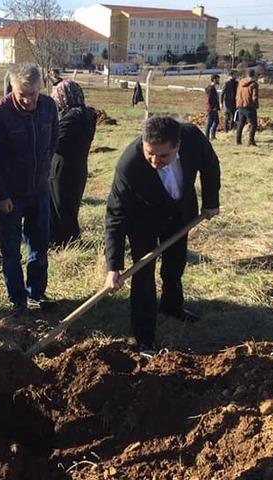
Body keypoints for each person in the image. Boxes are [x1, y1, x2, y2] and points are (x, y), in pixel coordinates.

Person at [104, 116, 221, 356]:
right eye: (150, 154)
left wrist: (211, 201)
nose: (155, 161)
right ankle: (144, 338)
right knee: (143, 274)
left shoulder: (192, 138)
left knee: (176, 263)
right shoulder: (129, 165)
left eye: (163, 156)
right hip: (143, 219)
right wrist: (113, 267)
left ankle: (171, 306)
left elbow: (210, 164)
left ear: (177, 145)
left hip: (180, 212)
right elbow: (115, 215)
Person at [0, 62, 59, 316]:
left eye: (32, 94)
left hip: (39, 190)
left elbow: (53, 142)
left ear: (40, 88)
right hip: (10, 195)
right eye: (21, 94)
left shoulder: (49, 107)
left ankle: (36, 293)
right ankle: (17, 298)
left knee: (39, 245)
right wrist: (1, 194)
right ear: (12, 88)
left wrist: (44, 174)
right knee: (11, 249)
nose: (28, 100)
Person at [49, 80, 97, 245]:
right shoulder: (87, 116)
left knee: (60, 207)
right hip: (78, 167)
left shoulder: (70, 120)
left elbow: (53, 143)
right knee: (70, 206)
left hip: (61, 169)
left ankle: (64, 242)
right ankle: (68, 241)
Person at [235, 68, 259, 146]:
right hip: (249, 106)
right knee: (253, 124)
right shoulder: (254, 84)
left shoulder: (240, 82)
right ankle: (251, 141)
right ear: (254, 75)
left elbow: (237, 93)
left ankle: (238, 141)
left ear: (246, 74)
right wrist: (255, 105)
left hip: (240, 105)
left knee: (240, 123)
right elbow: (254, 97)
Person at [204, 74, 221, 140]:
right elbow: (209, 99)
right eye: (218, 79)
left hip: (214, 108)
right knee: (209, 123)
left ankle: (212, 136)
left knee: (216, 121)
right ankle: (206, 138)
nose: (219, 80)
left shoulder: (212, 88)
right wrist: (212, 107)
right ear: (214, 79)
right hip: (211, 109)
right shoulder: (211, 88)